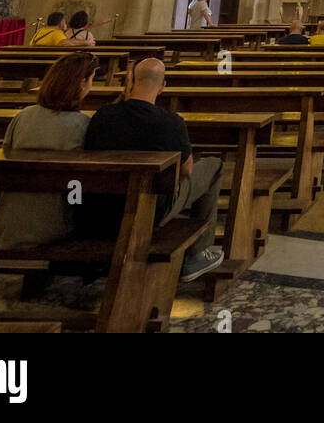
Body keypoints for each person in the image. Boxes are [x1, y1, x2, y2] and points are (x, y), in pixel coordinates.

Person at [81, 58, 225, 283]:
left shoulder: (103, 115)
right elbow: (186, 171)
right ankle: (197, 253)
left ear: (132, 82)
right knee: (214, 166)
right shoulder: (171, 122)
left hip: (101, 208)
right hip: (151, 208)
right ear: (162, 86)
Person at [0, 52, 97, 249]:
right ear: (82, 83)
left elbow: (3, 167)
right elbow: (81, 184)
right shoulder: (83, 125)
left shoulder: (23, 116)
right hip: (55, 225)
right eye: (92, 80)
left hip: (8, 223)